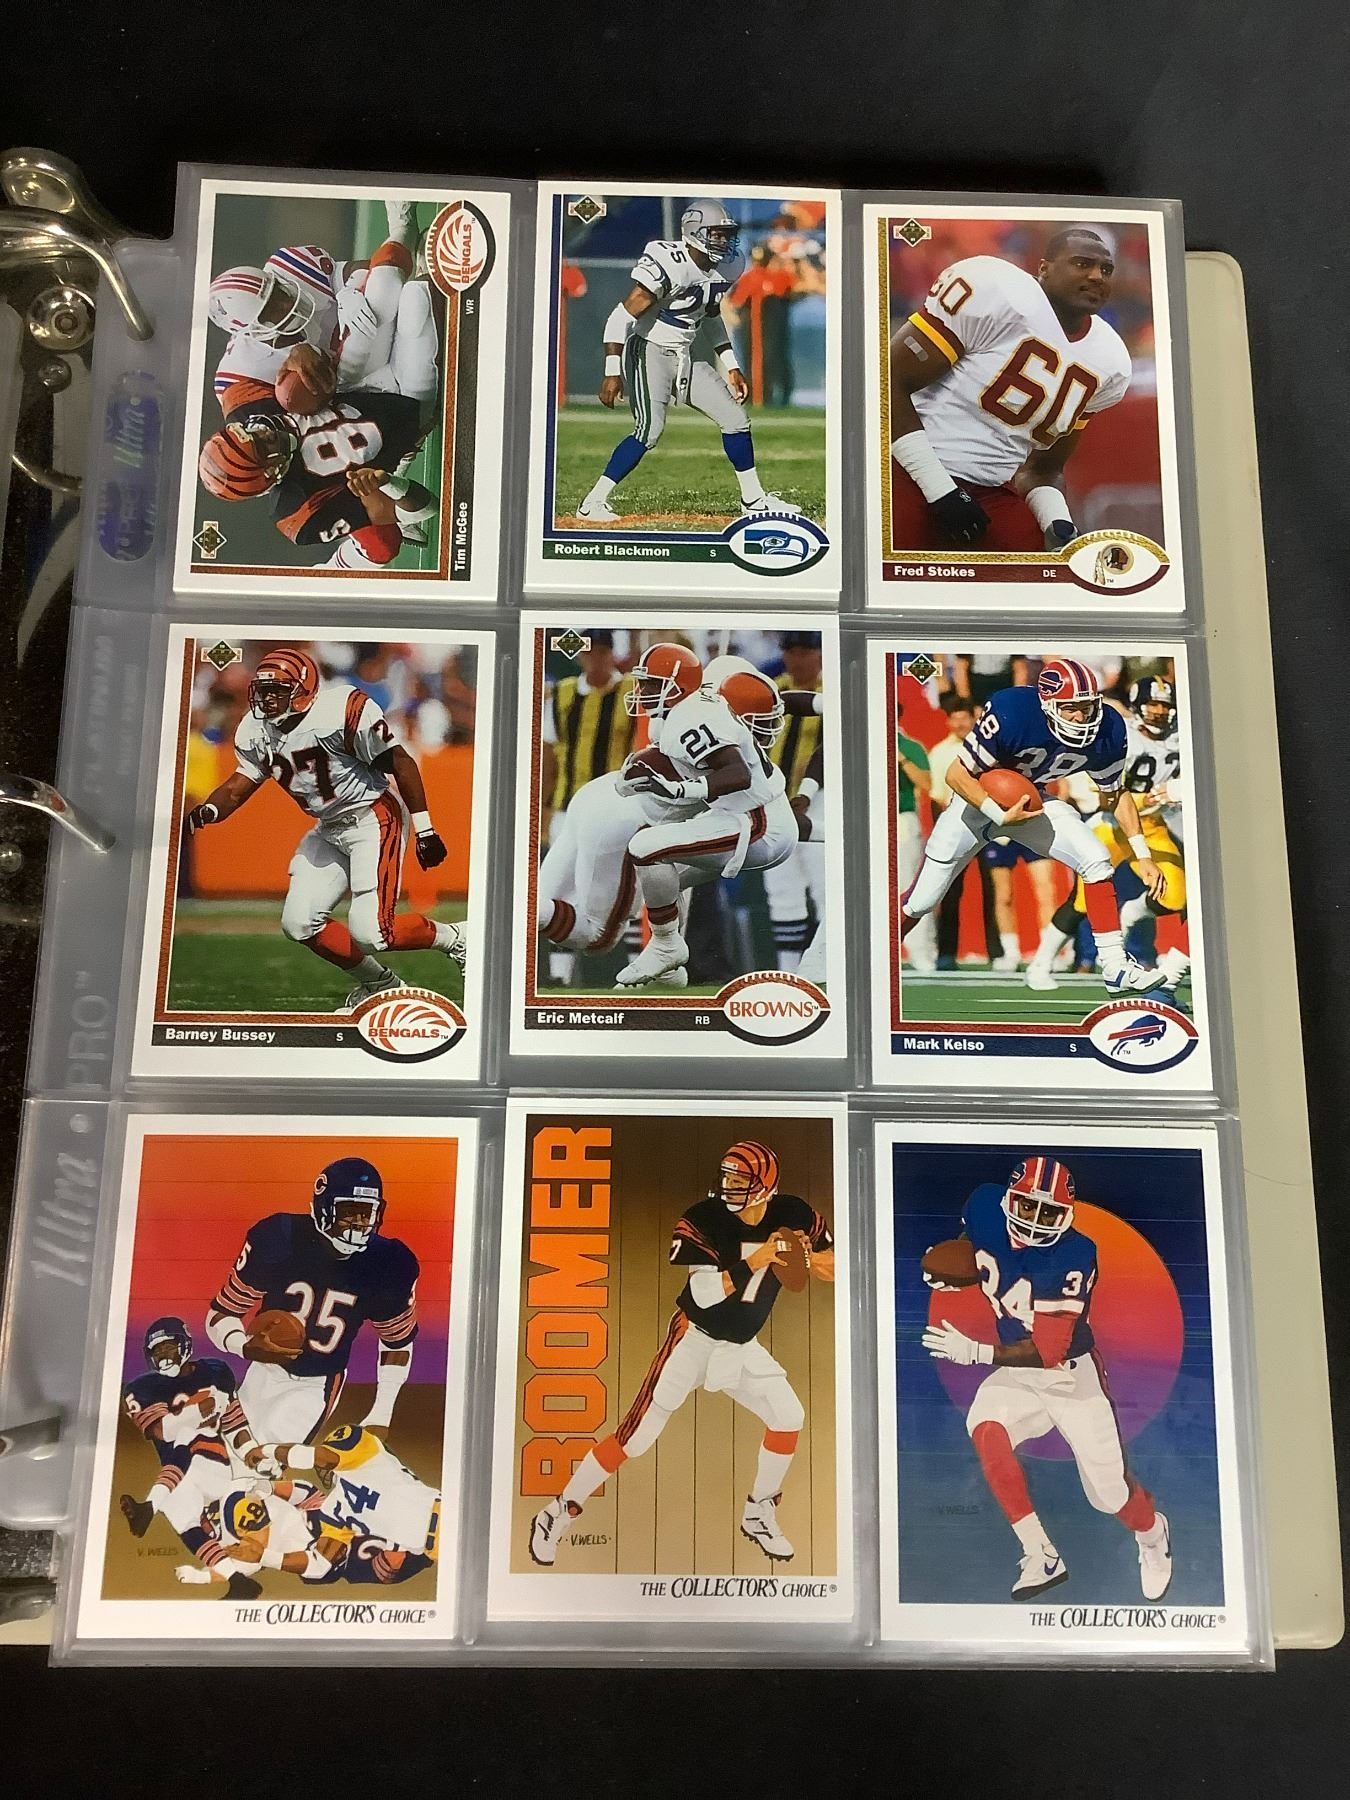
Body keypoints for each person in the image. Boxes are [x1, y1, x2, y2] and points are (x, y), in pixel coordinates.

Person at [528, 1141, 833, 1567]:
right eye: (726, 1177)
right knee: (635, 1439)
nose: (728, 1186)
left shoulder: (794, 1213)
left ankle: (758, 1512)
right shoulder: (703, 1219)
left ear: (765, 1186)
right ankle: (557, 1511)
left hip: (740, 1345)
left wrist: (808, 1257)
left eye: (739, 1180)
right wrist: (760, 1258)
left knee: (788, 1416)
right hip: (693, 1339)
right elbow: (703, 1294)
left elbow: (834, 1266)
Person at [922, 1157, 1172, 1602]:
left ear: (1067, 1215)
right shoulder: (984, 1204)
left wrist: (977, 1352)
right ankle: (1040, 1553)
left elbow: (1049, 1351)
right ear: (1008, 1199)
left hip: (1069, 1376)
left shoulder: (1072, 1256)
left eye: (1049, 1212)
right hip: (1020, 1373)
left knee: (1109, 1497)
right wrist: (956, 1268)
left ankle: (1153, 1535)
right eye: (1027, 1206)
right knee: (986, 1428)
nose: (1035, 1222)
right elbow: (975, 1242)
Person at [185, 646, 464, 1011]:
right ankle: (380, 985)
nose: (267, 699)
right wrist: (208, 810)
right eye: (263, 690)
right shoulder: (256, 728)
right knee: (300, 923)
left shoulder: (339, 712)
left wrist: (425, 830)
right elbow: (240, 783)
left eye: (277, 690)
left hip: (372, 817)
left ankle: (457, 938)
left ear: (303, 690)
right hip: (328, 827)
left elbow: (401, 762)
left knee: (373, 933)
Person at [897, 658, 1165, 996]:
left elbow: (1115, 793)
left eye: (1086, 707)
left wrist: (1143, 855)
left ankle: (1115, 967)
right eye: (1070, 708)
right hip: (976, 802)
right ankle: (878, 952)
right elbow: (956, 775)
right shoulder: (1014, 712)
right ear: (1048, 704)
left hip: (1029, 801)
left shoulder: (1108, 727)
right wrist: (996, 812)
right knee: (921, 902)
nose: (1080, 717)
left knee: (1096, 859)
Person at [888, 228, 1130, 551]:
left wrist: (1058, 523)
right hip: (908, 468)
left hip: (992, 491)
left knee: (1033, 571)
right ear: (1044, 268)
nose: (1097, 276)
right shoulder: (997, 292)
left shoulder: (1108, 359)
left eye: (1106, 269)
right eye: (1082, 264)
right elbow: (887, 382)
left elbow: (1044, 469)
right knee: (895, 565)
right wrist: (940, 490)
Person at [576, 200, 786, 523]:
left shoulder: (727, 265)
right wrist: (612, 371)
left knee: (735, 420)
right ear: (694, 233)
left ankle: (754, 500)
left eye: (727, 235)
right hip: (650, 350)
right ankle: (592, 503)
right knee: (649, 431)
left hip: (685, 355)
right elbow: (620, 317)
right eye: (717, 234)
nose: (725, 242)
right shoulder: (671, 263)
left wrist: (731, 364)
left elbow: (711, 314)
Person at [204, 1157, 419, 1448]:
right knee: (225, 1455)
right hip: (262, 1371)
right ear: (323, 1206)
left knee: (262, 1459)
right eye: (349, 1212)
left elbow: (397, 1343)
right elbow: (221, 1314)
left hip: (316, 1383)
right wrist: (243, 1346)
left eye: (366, 1213)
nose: (359, 1223)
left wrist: (381, 1414)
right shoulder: (280, 1237)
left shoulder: (389, 1262)